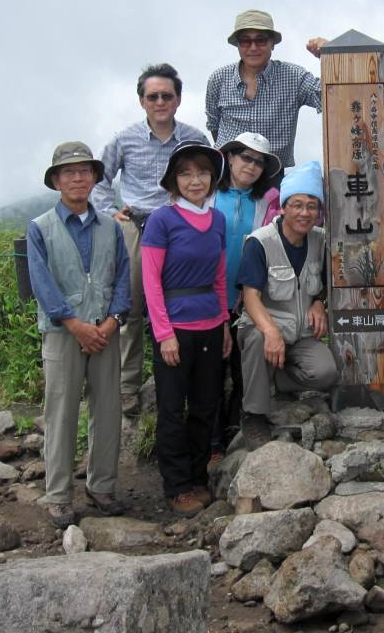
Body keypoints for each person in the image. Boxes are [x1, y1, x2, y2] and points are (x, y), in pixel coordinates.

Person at [93, 63, 211, 417]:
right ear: (142, 100)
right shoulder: (124, 138)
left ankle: (178, 383)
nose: (160, 102)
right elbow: (101, 177)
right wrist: (107, 210)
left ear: (178, 99)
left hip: (181, 227)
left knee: (179, 304)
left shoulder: (194, 138)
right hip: (136, 227)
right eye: (153, 96)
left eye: (167, 95)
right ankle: (128, 388)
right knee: (129, 309)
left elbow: (208, 181)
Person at [26, 142, 131, 528]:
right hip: (62, 334)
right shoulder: (40, 228)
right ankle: (58, 496)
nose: (77, 178)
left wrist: (112, 320)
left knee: (107, 411)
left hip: (105, 331)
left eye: (84, 171)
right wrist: (73, 323)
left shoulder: (110, 227)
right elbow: (42, 282)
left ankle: (101, 487)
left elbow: (122, 277)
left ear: (94, 177)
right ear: (56, 180)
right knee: (61, 412)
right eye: (68, 172)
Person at [141, 141, 230, 517]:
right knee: (173, 409)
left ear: (213, 178)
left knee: (206, 405)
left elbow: (221, 277)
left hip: (211, 323)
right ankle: (176, 486)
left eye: (203, 172)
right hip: (175, 327)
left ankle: (197, 478)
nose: (196, 180)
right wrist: (163, 334)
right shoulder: (162, 219)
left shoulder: (218, 219)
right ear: (174, 180)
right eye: (186, 173)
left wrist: (225, 324)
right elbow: (150, 280)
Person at [235, 160, 340, 449]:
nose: (304, 213)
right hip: (264, 326)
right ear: (283, 207)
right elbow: (250, 296)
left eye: (311, 206)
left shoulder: (320, 241)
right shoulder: (260, 242)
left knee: (326, 371)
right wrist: (270, 331)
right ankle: (254, 415)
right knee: (257, 338)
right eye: (296, 204)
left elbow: (328, 286)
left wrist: (319, 302)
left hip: (301, 334)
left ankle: (276, 380)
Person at [206, 132, 283, 455]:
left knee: (242, 369)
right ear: (230, 158)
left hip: (250, 296)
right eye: (246, 158)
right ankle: (211, 444)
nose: (251, 166)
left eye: (259, 161)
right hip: (208, 296)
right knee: (210, 372)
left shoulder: (269, 200)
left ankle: (236, 435)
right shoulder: (207, 194)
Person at [205, 9, 326, 170]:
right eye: (245, 41)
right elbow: (214, 125)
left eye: (261, 40)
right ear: (238, 45)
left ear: (272, 44)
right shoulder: (218, 79)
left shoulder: (294, 77)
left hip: (271, 176)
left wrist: (331, 55)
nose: (253, 47)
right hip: (228, 175)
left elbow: (333, 98)